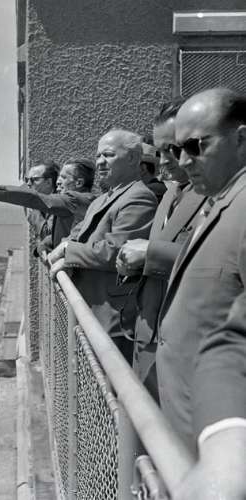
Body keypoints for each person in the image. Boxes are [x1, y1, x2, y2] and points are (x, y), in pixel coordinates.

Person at [155, 88, 246, 500]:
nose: (183, 160)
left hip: (222, 443)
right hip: (194, 428)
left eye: (196, 146)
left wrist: (226, 434)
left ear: (241, 139)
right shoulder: (219, 202)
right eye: (178, 149)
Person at [115, 99, 207, 396]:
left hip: (185, 348)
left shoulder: (216, 195)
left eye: (174, 149)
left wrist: (150, 253)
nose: (164, 161)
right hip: (149, 332)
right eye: (159, 151)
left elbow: (214, 257)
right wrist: (131, 263)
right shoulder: (169, 194)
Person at [48, 129, 158, 362]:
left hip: (112, 317)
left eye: (108, 155)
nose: (100, 162)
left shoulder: (139, 197)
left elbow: (115, 251)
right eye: (98, 156)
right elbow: (75, 236)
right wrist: (69, 247)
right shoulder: (101, 199)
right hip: (89, 310)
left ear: (132, 158)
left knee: (109, 378)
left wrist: (68, 252)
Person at [0, 158, 95, 248]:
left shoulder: (73, 200)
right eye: (59, 177)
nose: (58, 181)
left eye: (64, 177)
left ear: (79, 183)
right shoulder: (73, 201)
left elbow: (32, 198)